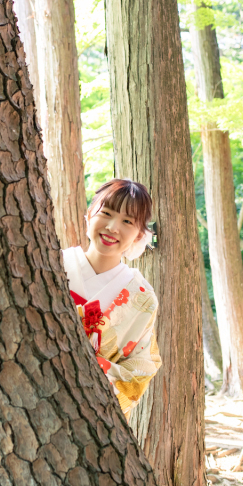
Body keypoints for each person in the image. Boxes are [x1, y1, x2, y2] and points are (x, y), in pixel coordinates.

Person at [62, 179, 162, 420]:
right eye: (106, 213)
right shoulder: (53, 264)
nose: (113, 227)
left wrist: (94, 370)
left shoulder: (143, 297)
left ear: (139, 234)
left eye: (127, 221)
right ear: (89, 215)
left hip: (91, 414)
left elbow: (142, 367)